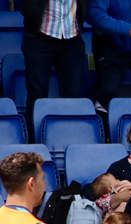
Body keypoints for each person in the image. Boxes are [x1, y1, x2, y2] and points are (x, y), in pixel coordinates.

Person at [19, 0, 88, 130]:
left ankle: (70, 132)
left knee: (74, 92)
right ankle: (34, 136)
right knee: (37, 92)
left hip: (71, 38)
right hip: (40, 38)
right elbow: (27, 8)